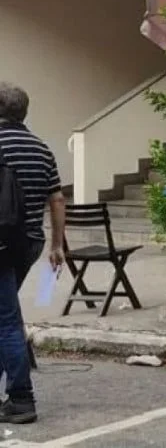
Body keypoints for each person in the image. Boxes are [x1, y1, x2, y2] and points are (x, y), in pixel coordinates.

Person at [0, 83, 66, 424]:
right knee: (4, 313)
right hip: (28, 242)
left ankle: (22, 398)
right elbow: (56, 198)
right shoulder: (41, 148)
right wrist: (57, 245)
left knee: (7, 321)